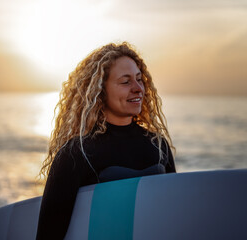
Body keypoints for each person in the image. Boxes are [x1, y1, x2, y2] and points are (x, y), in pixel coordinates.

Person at [36, 42, 176, 240]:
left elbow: (172, 218)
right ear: (101, 91)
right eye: (125, 82)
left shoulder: (158, 146)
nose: (138, 89)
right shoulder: (77, 153)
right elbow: (48, 235)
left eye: (139, 79)